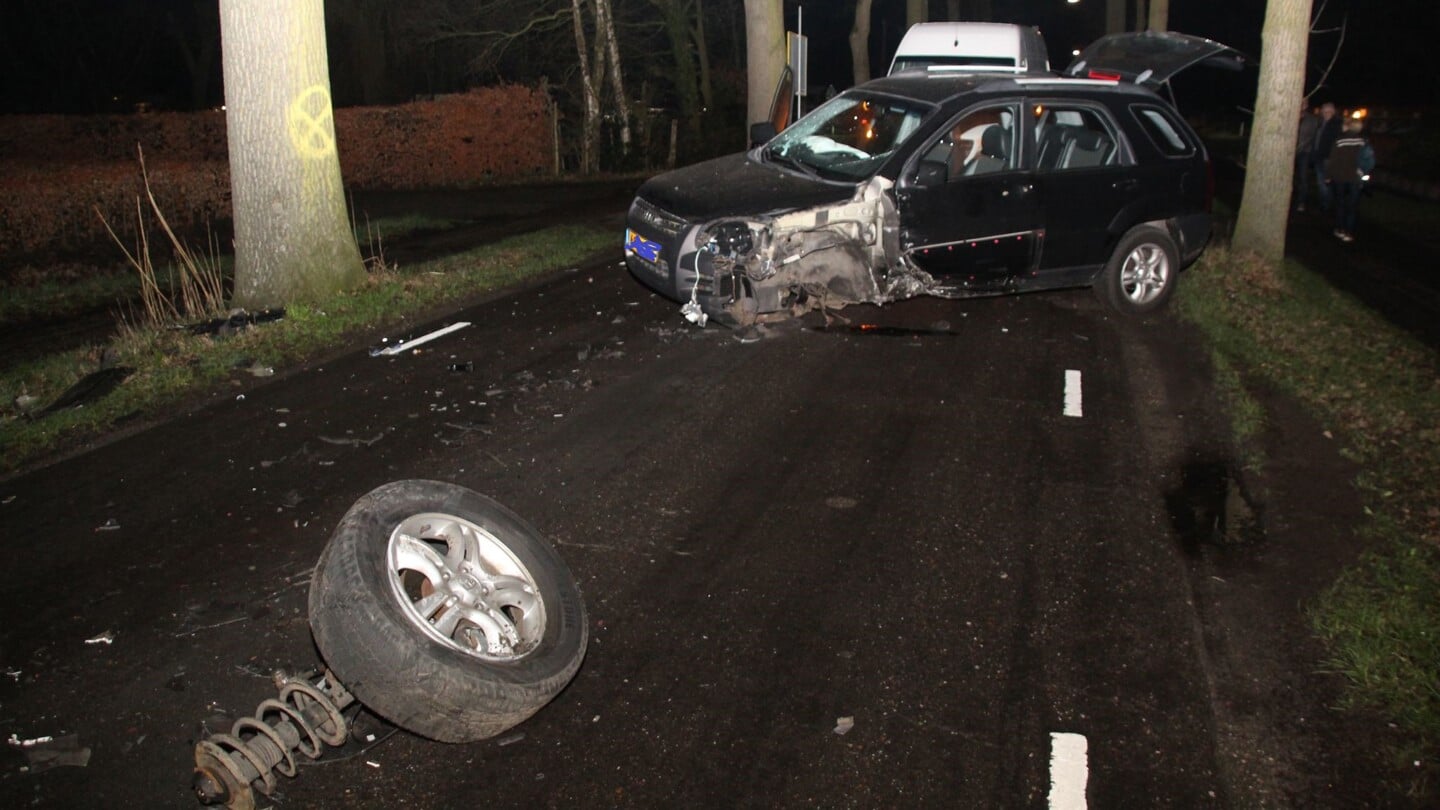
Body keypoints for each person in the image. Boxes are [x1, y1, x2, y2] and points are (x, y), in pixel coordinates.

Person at [1325, 116, 1375, 243]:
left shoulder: (1339, 140)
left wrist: (1328, 175)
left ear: (1347, 126)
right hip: (1355, 177)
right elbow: (1369, 159)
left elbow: (1333, 160)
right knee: (1352, 205)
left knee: (1340, 203)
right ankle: (1349, 232)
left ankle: (1339, 229)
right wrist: (1363, 172)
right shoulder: (1363, 141)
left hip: (1340, 176)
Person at [1311, 102, 1342, 211]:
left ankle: (1326, 205)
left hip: (1328, 157)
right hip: (1318, 156)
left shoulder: (1336, 124)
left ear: (1333, 112)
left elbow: (1336, 143)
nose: (1326, 114)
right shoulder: (1321, 123)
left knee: (1325, 182)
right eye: (1324, 112)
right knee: (1320, 182)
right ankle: (1324, 202)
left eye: (1328, 112)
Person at [1293, 102, 1320, 212]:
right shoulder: (1291, 116)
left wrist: (1307, 148)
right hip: (1290, 152)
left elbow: (1313, 136)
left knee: (1303, 178)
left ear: (1306, 106)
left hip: (1304, 151)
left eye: (1304, 104)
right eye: (1300, 103)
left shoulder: (1312, 119)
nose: (1301, 106)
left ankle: (1301, 201)